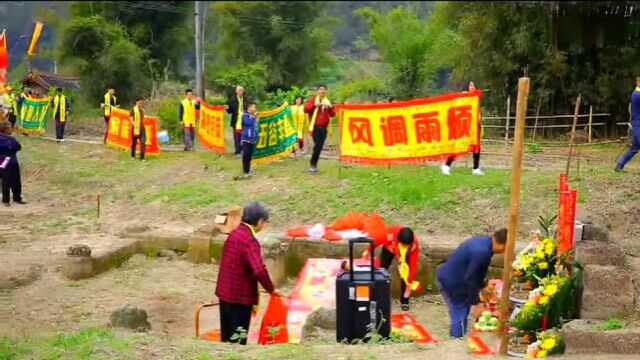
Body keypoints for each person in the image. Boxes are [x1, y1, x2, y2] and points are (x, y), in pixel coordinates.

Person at [215, 202, 279, 345]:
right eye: (264, 223)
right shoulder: (249, 241)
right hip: (240, 297)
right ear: (260, 221)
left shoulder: (234, 234)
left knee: (226, 338)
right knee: (238, 339)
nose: (263, 226)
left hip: (224, 293)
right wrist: (271, 289)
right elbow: (259, 269)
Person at [436, 228, 507, 339]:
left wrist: (483, 286)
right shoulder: (482, 252)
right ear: (503, 245)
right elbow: (470, 278)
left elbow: (478, 270)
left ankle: (456, 336)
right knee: (460, 310)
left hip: (450, 276)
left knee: (458, 309)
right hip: (452, 281)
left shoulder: (484, 243)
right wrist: (477, 303)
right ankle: (456, 340)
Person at [362, 226, 420, 311]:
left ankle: (404, 301)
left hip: (405, 256)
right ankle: (379, 295)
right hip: (389, 248)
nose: (405, 247)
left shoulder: (413, 245)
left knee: (405, 276)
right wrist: (368, 250)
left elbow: (413, 265)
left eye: (407, 246)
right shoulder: (390, 234)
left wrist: (409, 282)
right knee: (382, 270)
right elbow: (377, 240)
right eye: (403, 245)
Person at [441, 81, 484, 176]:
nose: (473, 86)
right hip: (465, 127)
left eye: (473, 85)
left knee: (476, 147)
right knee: (458, 146)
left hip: (475, 126)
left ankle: (476, 169)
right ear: (466, 86)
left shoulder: (474, 98)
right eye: (470, 85)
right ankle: (446, 166)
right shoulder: (463, 97)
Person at [304, 84, 335, 174]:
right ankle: (313, 164)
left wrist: (329, 108)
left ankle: (314, 163)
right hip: (315, 127)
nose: (322, 91)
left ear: (326, 92)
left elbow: (333, 114)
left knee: (320, 146)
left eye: (324, 89)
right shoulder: (313, 100)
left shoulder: (327, 102)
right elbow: (306, 109)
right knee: (318, 145)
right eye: (321, 89)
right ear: (317, 91)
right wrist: (315, 105)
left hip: (324, 128)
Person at [616, 77, 640, 172]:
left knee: (635, 147)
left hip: (637, 122)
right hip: (637, 123)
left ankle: (619, 165)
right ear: (638, 83)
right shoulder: (636, 95)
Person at [0, 119, 25, 206]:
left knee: (16, 181)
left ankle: (17, 198)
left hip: (13, 162)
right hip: (3, 163)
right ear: (3, 129)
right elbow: (15, 147)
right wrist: (9, 147)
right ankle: (5, 200)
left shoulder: (11, 138)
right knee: (6, 181)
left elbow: (18, 147)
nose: (11, 129)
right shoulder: (5, 139)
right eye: (9, 128)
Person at [226, 86, 249, 156]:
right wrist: (227, 108)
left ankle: (243, 150)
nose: (240, 92)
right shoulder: (232, 100)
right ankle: (237, 151)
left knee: (244, 136)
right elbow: (229, 111)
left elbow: (249, 108)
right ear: (236, 91)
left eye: (241, 90)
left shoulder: (246, 99)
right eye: (239, 90)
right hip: (236, 121)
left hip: (245, 120)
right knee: (237, 137)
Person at [240, 102, 258, 178]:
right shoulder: (245, 115)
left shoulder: (253, 116)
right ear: (249, 107)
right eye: (254, 107)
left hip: (252, 139)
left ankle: (248, 171)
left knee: (250, 156)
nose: (255, 109)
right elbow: (248, 123)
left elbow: (255, 128)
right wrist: (254, 117)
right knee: (246, 156)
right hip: (246, 139)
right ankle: (245, 172)